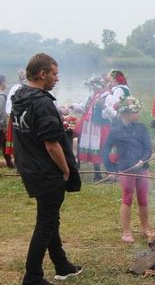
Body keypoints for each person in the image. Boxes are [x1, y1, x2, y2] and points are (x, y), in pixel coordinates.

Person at [12, 53, 82, 284]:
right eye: (54, 73)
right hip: (46, 171)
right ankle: (32, 277)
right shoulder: (41, 102)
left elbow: (31, 133)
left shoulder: (20, 97)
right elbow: (51, 144)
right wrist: (65, 170)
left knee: (50, 219)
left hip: (30, 168)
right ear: (42, 74)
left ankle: (62, 266)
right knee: (45, 224)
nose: (57, 79)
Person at [102, 96, 154, 243]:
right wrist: (111, 169)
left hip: (142, 168)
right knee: (127, 199)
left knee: (143, 199)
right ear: (125, 114)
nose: (138, 114)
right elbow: (105, 150)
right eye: (135, 112)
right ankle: (126, 232)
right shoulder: (115, 131)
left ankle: (145, 228)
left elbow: (148, 148)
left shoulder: (142, 127)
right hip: (126, 169)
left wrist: (143, 160)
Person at [75, 75, 109, 181]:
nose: (93, 89)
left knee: (100, 147)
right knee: (94, 147)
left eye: (94, 87)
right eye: (92, 87)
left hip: (100, 126)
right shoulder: (92, 96)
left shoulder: (106, 96)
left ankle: (109, 172)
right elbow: (83, 107)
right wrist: (73, 106)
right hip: (90, 126)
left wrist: (103, 108)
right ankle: (97, 173)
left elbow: (109, 113)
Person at [4, 69, 26, 167]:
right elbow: (9, 107)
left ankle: (21, 163)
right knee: (17, 141)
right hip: (16, 118)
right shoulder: (16, 88)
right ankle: (18, 163)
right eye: (22, 76)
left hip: (21, 118)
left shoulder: (20, 88)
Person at [0, 75, 11, 168]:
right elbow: (2, 113)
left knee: (4, 145)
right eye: (5, 82)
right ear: (2, 83)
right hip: (1, 127)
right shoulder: (2, 97)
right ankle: (9, 163)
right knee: (4, 145)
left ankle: (9, 163)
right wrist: (4, 126)